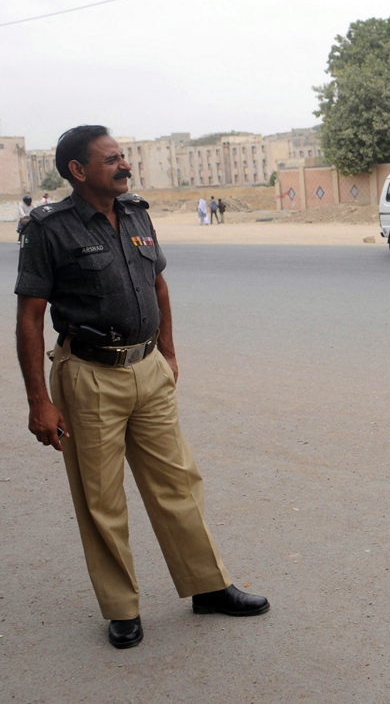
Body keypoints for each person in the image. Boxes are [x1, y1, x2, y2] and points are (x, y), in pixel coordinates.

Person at [14, 125, 268, 650]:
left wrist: (169, 351)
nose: (123, 165)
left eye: (123, 156)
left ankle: (208, 586)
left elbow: (158, 285)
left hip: (148, 369)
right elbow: (30, 316)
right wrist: (39, 400)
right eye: (111, 159)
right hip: (87, 377)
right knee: (101, 499)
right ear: (78, 171)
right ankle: (121, 609)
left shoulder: (135, 212)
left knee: (178, 481)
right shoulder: (48, 229)